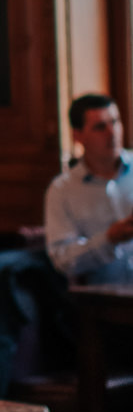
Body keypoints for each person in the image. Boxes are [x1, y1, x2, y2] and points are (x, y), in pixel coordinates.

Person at [44, 94, 133, 285]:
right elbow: (63, 260)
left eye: (115, 122)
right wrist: (109, 239)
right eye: (100, 127)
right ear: (78, 136)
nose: (112, 133)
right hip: (102, 303)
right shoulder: (62, 190)